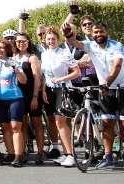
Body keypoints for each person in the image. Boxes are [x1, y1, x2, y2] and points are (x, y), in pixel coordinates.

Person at [70, 21, 124, 169]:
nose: (98, 35)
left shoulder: (116, 45)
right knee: (106, 124)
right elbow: (74, 43)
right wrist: (68, 34)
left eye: (101, 32)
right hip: (104, 89)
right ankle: (108, 156)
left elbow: (117, 66)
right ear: (92, 35)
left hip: (122, 88)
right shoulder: (90, 45)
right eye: (95, 33)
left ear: (106, 32)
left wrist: (107, 82)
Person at [40, 28, 79, 167]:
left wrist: (62, 78)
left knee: (60, 122)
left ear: (58, 40)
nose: (51, 41)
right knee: (53, 121)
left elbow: (77, 72)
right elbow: (45, 74)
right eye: (48, 39)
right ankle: (63, 153)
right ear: (45, 40)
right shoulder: (44, 54)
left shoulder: (64, 53)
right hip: (49, 90)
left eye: (53, 39)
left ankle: (70, 154)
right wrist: (43, 90)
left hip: (62, 89)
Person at [0, 41, 27, 167]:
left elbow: (23, 80)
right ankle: (11, 153)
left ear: (7, 49)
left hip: (15, 97)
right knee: (5, 128)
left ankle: (19, 156)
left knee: (15, 127)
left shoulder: (13, 61)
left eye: (2, 47)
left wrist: (16, 69)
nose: (0, 49)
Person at [12, 32, 45, 164]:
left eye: (24, 41)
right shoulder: (13, 57)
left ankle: (40, 152)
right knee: (23, 124)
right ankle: (23, 151)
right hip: (19, 95)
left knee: (37, 124)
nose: (21, 43)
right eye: (19, 41)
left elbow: (37, 77)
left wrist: (35, 97)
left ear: (28, 42)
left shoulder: (32, 57)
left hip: (32, 93)